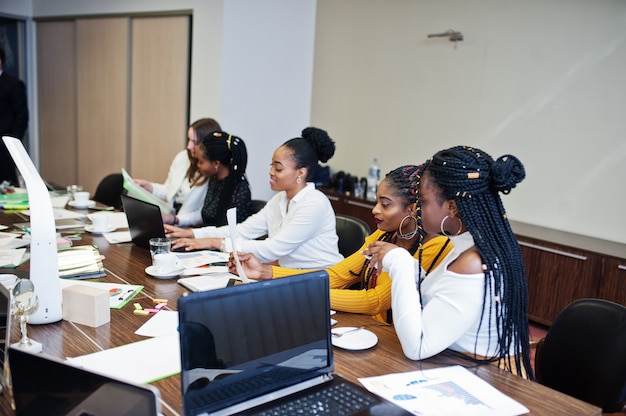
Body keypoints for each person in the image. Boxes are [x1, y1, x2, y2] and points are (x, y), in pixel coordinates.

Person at [364, 146, 533, 378]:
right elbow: (440, 298)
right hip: (460, 365)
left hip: (490, 380)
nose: (418, 210)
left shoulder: (472, 263)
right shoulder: (469, 246)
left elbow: (418, 347)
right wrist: (406, 264)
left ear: (451, 207)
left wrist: (400, 262)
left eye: (422, 201)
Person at [229, 165, 453, 323]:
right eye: (376, 202)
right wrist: (265, 272)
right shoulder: (384, 235)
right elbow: (336, 276)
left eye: (385, 204)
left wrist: (295, 293)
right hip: (367, 329)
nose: (375, 210)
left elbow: (374, 302)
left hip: (397, 343)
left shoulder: (435, 245)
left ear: (412, 209)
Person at [166, 127, 343, 269]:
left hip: (323, 281)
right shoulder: (280, 200)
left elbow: (271, 249)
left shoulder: (314, 203)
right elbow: (242, 231)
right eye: (271, 165)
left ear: (301, 173)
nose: (271, 172)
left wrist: (214, 242)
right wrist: (193, 234)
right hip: (292, 276)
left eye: (278, 168)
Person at [134, 118, 221, 222]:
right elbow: (169, 190)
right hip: (171, 220)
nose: (189, 146)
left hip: (188, 226)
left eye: (195, 142)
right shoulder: (182, 157)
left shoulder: (213, 170)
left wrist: (177, 220)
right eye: (189, 140)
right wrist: (151, 187)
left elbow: (205, 214)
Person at [171, 130, 253, 228]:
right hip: (205, 238)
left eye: (201, 162)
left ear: (216, 164)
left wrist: (192, 235)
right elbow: (205, 216)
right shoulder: (214, 179)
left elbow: (226, 232)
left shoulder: (240, 191)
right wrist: (175, 219)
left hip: (220, 241)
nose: (198, 165)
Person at [0, 47, 29, 185]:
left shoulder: (13, 84)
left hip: (5, 143)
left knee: (7, 183)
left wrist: (13, 143)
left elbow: (21, 116)